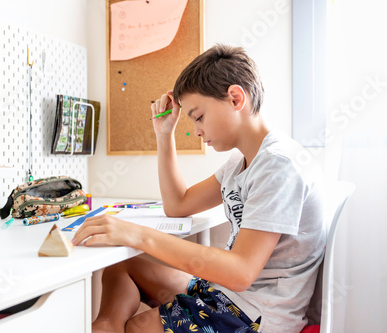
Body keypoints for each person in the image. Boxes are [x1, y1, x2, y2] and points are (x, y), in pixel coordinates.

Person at [72, 44, 325, 333]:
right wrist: (164, 135)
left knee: (141, 325)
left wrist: (137, 234)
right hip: (229, 295)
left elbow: (241, 272)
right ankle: (105, 327)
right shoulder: (241, 161)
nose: (196, 130)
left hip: (257, 316)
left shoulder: (279, 165)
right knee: (121, 268)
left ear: (235, 98)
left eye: (199, 116)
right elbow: (178, 204)